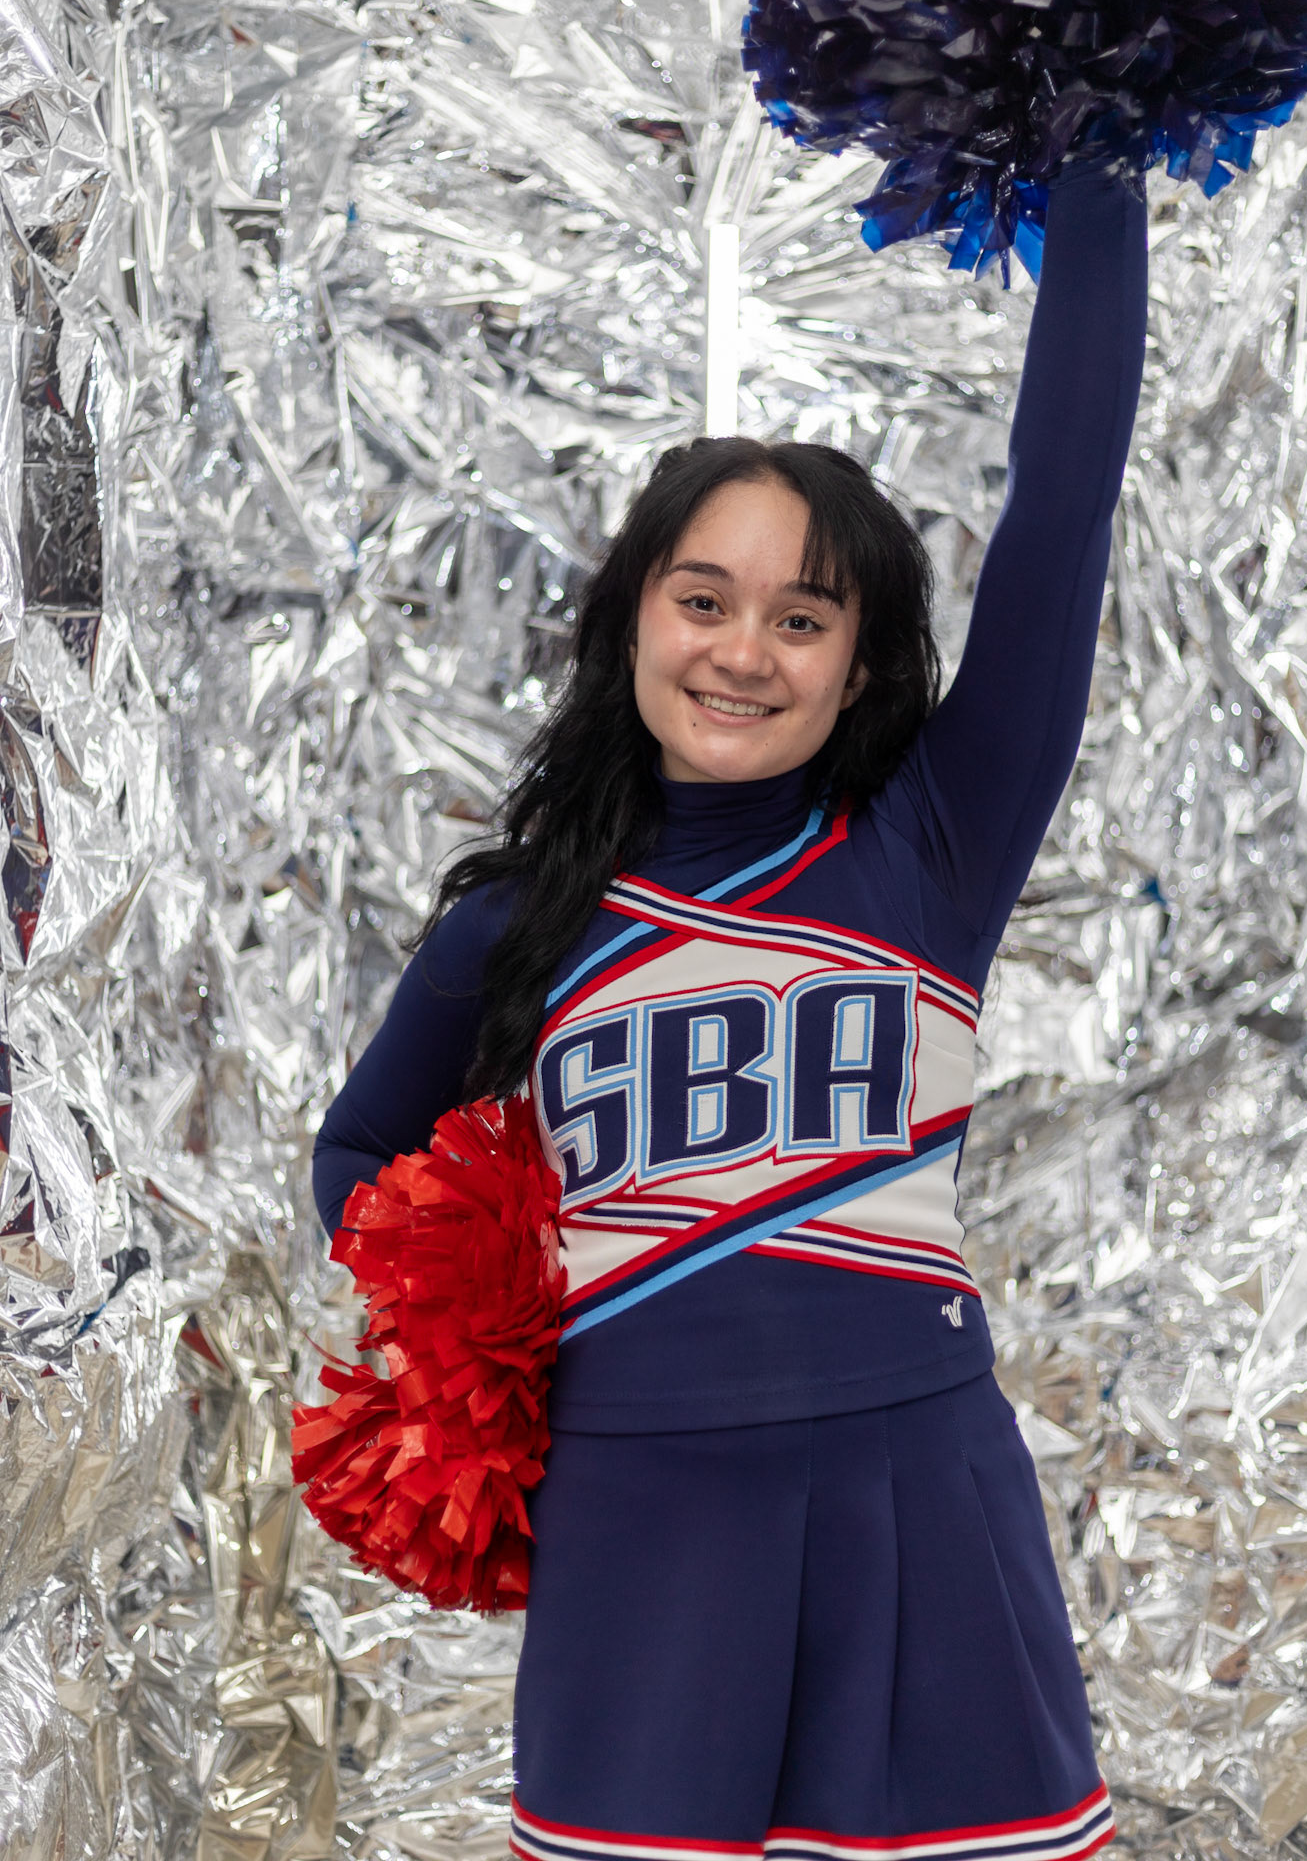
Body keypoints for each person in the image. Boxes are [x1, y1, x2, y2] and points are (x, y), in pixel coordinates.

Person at [313, 156, 1146, 1861]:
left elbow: (1061, 510)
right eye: (703, 600)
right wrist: (463, 1308)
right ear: (634, 615)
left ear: (858, 660)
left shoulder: (929, 841)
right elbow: (356, 1150)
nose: (742, 652)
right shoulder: (514, 923)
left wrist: (1105, 152)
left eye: (801, 615)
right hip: (644, 1513)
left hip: (917, 1496)